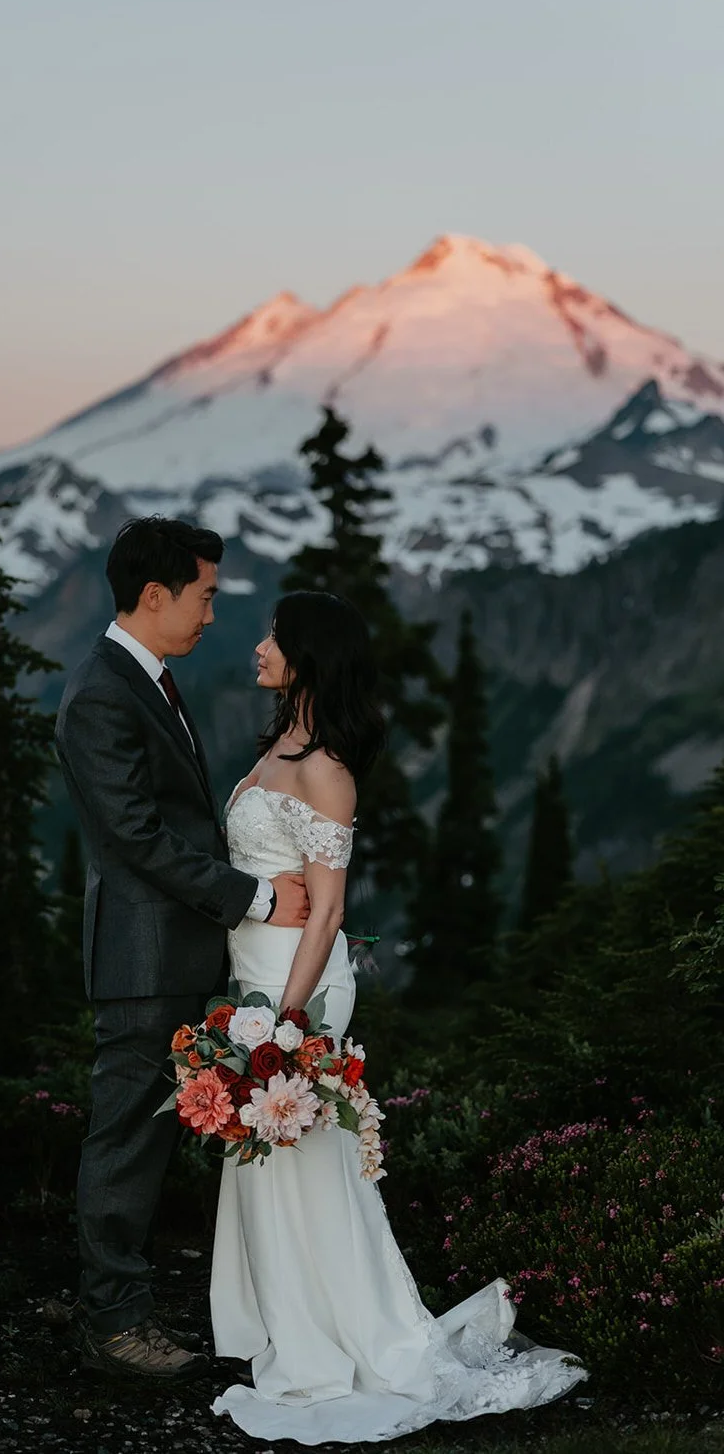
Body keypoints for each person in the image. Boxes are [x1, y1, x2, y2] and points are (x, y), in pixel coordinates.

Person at [210, 589, 587, 1444]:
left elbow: (331, 910)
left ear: (306, 654)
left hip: (298, 984)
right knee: (269, 1158)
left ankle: (335, 1339)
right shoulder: (278, 745)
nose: (259, 645)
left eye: (274, 635)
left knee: (301, 1154)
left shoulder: (324, 767)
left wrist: (287, 1024)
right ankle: (285, 1322)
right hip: (254, 976)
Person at [54, 516, 309, 1382]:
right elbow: (134, 834)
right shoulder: (101, 691)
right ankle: (113, 1328)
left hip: (171, 953)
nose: (211, 616)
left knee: (148, 1141)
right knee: (126, 1140)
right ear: (153, 595)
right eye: (202, 596)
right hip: (141, 960)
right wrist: (259, 898)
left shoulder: (145, 679)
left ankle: (128, 1310)